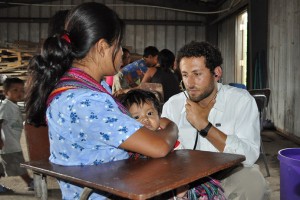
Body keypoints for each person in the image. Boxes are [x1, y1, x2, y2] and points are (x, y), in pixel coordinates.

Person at [25, 2, 178, 200]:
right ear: (103, 47)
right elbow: (159, 147)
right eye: (119, 45)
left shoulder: (77, 87)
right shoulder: (87, 101)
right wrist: (171, 125)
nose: (123, 52)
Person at [162, 41, 269, 200]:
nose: (189, 83)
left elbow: (249, 155)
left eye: (197, 74)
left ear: (217, 73)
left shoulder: (240, 101)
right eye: (185, 75)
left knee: (253, 181)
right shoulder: (173, 105)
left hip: (227, 175)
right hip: (184, 177)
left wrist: (204, 126)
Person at [120, 89, 226, 199]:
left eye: (150, 113)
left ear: (159, 116)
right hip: (149, 185)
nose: (145, 119)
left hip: (177, 179)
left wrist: (180, 182)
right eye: (136, 117)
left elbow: (184, 158)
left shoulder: (165, 136)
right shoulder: (130, 142)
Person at [0, 78, 33, 193]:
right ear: (5, 92)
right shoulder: (5, 106)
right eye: (15, 90)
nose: (19, 93)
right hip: (8, 144)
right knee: (18, 164)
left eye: (22, 91)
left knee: (3, 167)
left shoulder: (14, 106)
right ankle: (30, 182)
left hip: (12, 143)